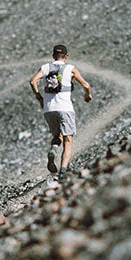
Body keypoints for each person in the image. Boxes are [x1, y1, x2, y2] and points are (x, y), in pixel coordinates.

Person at [30, 44, 92, 177]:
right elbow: (86, 85)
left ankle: (53, 149)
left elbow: (32, 81)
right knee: (68, 140)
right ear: (66, 56)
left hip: (49, 109)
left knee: (57, 136)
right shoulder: (70, 68)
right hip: (65, 108)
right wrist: (88, 95)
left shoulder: (45, 68)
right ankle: (62, 173)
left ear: (53, 56)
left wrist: (39, 98)